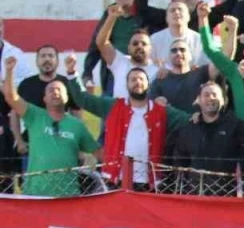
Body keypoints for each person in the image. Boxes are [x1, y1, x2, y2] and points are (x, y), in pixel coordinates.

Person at [66, 62, 190, 190]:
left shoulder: (161, 111)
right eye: (133, 79)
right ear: (127, 85)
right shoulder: (113, 106)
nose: (137, 82)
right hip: (115, 180)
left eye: (141, 79)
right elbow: (83, 99)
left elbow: (187, 120)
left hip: (149, 183)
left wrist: (198, 114)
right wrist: (72, 74)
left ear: (148, 84)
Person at [3, 58, 97, 198]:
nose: (55, 92)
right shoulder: (34, 115)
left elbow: (98, 152)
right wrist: (9, 71)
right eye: (51, 90)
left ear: (67, 98)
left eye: (59, 90)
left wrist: (91, 159)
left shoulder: (77, 125)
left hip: (69, 196)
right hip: (35, 195)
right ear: (44, 99)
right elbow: (11, 97)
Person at [165, 81, 244, 188]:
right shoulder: (188, 129)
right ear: (198, 100)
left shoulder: (236, 127)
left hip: (226, 193)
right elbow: (179, 163)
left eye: (215, 95)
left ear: (224, 101)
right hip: (193, 193)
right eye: (206, 95)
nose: (211, 98)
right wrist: (183, 188)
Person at [96, 6, 158, 100]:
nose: (139, 46)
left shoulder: (158, 69)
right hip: (120, 109)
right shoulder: (120, 61)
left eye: (144, 44)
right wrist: (111, 18)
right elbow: (101, 43)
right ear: (128, 48)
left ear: (150, 48)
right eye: (135, 43)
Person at [148, 40, 211, 114]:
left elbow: (219, 64)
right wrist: (157, 102)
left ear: (190, 55)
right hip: (172, 121)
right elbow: (148, 104)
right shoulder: (161, 79)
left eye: (182, 50)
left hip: (198, 120)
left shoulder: (201, 73)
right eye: (174, 51)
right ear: (169, 57)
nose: (178, 53)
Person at [17, 46, 81, 112]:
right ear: (37, 62)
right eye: (43, 56)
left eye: (51, 56)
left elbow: (77, 111)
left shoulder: (68, 84)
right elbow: (15, 111)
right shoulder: (25, 84)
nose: (47, 59)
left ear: (57, 62)